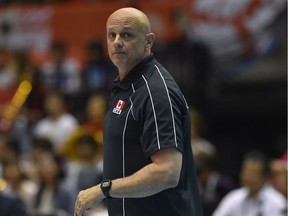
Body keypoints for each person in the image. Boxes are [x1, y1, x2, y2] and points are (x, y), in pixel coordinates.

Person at [74, 7, 203, 216]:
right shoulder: (125, 86)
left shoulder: (156, 92)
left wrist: (103, 189)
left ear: (148, 41)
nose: (117, 41)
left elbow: (167, 172)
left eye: (127, 35)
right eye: (111, 35)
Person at [212, 150, 287, 216]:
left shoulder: (276, 202)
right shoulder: (234, 198)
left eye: (253, 172)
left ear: (264, 177)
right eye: (246, 171)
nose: (247, 176)